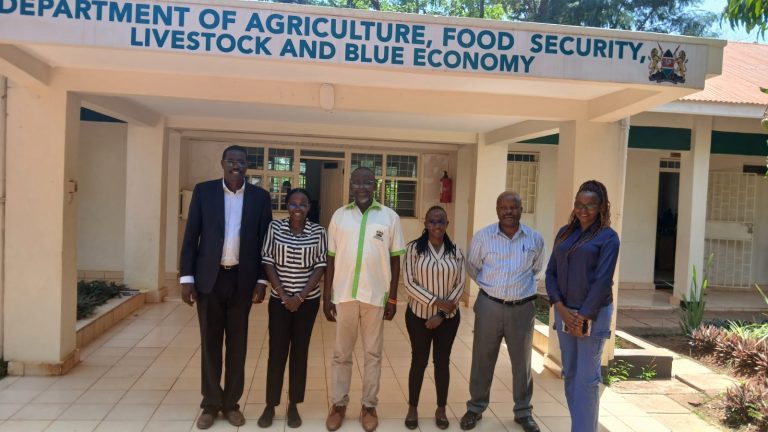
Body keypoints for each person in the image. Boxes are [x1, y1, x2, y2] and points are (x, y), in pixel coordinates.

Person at [179, 145, 273, 429]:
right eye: (231, 161)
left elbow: (264, 242)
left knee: (237, 345)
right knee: (210, 344)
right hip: (210, 279)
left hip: (242, 281)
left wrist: (261, 279)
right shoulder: (204, 192)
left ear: (247, 167)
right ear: (222, 163)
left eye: (242, 162)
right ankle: (210, 404)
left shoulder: (260, 197)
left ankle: (231, 403)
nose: (236, 166)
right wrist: (186, 278)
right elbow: (191, 235)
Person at [323, 167, 406, 432]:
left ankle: (369, 405)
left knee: (373, 354)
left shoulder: (389, 217)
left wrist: (392, 299)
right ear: (350, 185)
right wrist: (327, 297)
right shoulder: (339, 216)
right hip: (345, 294)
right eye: (357, 182)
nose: (362, 186)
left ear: (375, 185)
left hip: (375, 295)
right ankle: (338, 404)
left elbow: (396, 260)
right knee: (341, 354)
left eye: (367, 182)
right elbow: (330, 259)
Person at [460, 192, 544, 432]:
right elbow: (472, 267)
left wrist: (516, 290)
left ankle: (523, 412)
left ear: (521, 209)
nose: (508, 211)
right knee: (482, 359)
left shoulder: (535, 239)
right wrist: (491, 289)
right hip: (490, 306)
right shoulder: (483, 237)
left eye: (513, 207)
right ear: (497, 210)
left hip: (522, 308)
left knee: (522, 363)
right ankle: (475, 408)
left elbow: (537, 270)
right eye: (503, 207)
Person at [545, 180, 620, 432]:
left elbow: (602, 281)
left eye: (590, 205)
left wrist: (583, 316)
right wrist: (561, 308)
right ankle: (581, 426)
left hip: (594, 312)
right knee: (571, 375)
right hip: (565, 309)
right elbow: (551, 273)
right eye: (579, 204)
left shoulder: (608, 238)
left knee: (587, 379)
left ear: (602, 207)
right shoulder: (565, 233)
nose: (583, 210)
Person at [257, 188, 327, 429]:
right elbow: (267, 260)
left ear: (310, 207)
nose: (298, 208)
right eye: (293, 204)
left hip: (307, 303)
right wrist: (284, 295)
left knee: (300, 352)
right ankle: (270, 404)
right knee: (276, 352)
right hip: (279, 301)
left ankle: (294, 404)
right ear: (286, 206)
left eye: (303, 204)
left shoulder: (319, 231)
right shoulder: (275, 228)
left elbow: (320, 266)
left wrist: (300, 296)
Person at [402, 206, 465, 430]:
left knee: (442, 362)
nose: (437, 226)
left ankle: (441, 408)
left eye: (441, 222)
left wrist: (441, 314)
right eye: (432, 222)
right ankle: (412, 407)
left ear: (447, 224)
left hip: (447, 319)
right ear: (426, 224)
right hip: (418, 316)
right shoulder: (413, 250)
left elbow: (460, 284)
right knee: (419, 361)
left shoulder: (455, 250)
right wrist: (437, 303)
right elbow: (409, 284)